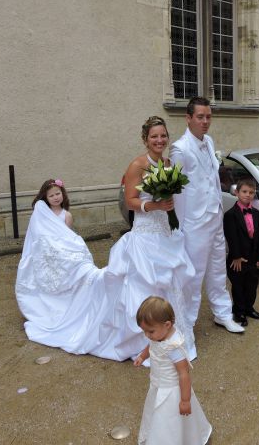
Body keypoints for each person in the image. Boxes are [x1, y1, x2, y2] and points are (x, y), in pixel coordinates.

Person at [98, 116, 198, 361]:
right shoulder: (137, 165)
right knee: (147, 283)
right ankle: (145, 342)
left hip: (165, 232)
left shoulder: (167, 163)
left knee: (171, 281)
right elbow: (131, 201)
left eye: (163, 135)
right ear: (145, 139)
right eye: (154, 136)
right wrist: (154, 205)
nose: (159, 140)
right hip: (145, 233)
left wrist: (169, 207)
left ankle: (171, 337)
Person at [170, 96, 244, 334]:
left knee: (218, 269)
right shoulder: (180, 149)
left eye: (208, 117)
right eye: (200, 117)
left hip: (215, 218)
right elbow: (177, 192)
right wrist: (181, 227)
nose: (205, 122)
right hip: (194, 223)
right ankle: (187, 323)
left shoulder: (209, 141)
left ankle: (222, 313)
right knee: (193, 276)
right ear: (188, 118)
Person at [15, 179, 111, 355]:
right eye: (51, 195)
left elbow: (66, 237)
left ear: (63, 194)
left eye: (58, 194)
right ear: (45, 197)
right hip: (50, 252)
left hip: (63, 250)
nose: (55, 197)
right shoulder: (41, 214)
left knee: (78, 267)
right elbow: (39, 235)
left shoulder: (66, 215)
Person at [134, 296, 212, 445]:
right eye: (144, 331)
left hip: (171, 392)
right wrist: (142, 357)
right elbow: (151, 346)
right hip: (158, 384)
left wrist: (184, 400)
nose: (147, 335)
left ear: (167, 325)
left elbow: (184, 374)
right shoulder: (158, 336)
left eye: (150, 331)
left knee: (168, 418)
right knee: (156, 414)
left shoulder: (173, 347)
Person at [223, 178, 259, 327]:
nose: (248, 195)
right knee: (239, 286)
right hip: (238, 258)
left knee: (252, 284)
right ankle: (239, 311)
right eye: (244, 191)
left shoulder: (257, 214)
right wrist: (236, 256)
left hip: (252, 257)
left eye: (251, 192)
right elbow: (231, 237)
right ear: (236, 192)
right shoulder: (230, 215)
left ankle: (249, 308)